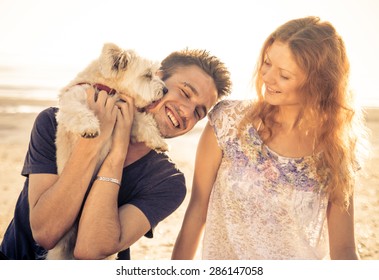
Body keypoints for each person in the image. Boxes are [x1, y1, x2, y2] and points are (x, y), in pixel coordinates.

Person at [0, 48, 232, 260]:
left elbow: (90, 250)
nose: (187, 111)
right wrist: (94, 141)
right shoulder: (55, 122)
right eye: (185, 93)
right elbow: (46, 232)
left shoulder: (168, 182)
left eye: (199, 112)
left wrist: (117, 152)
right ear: (157, 77)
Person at [172, 16, 369, 260]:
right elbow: (197, 211)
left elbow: (344, 250)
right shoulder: (228, 123)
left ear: (318, 84)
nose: (267, 77)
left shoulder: (334, 151)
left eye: (284, 75)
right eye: (267, 63)